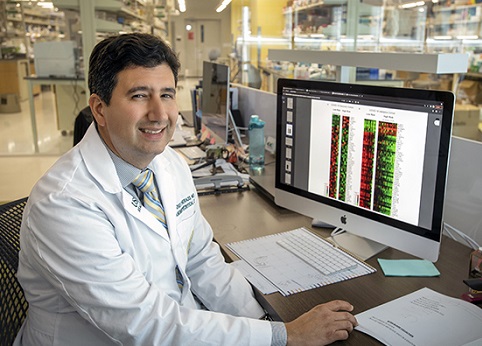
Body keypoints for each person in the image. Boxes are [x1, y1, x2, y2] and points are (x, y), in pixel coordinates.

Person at [15, 33, 357, 346]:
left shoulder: (168, 165)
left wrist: (263, 321)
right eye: (139, 96)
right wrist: (283, 336)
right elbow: (142, 322)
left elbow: (202, 261)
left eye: (167, 94)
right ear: (99, 108)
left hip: (175, 326)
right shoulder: (64, 204)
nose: (160, 114)